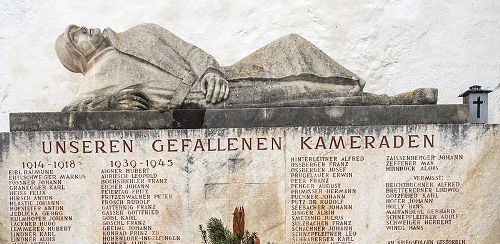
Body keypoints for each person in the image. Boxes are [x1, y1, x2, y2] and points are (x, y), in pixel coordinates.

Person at [55, 24, 436, 111]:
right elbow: (74, 112)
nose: (85, 29)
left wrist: (212, 73)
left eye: (81, 26)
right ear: (77, 55)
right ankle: (393, 103)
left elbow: (192, 51)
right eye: (76, 35)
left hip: (217, 84)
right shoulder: (97, 81)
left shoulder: (141, 32)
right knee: (302, 94)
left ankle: (375, 98)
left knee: (292, 47)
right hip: (198, 106)